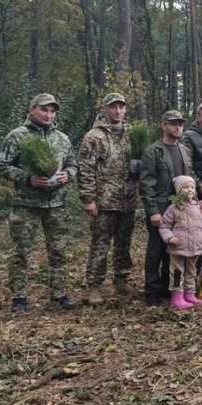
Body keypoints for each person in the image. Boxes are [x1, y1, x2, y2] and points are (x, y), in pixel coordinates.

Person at [0, 93, 78, 313]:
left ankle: (58, 295)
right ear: (32, 110)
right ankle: (19, 297)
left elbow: (73, 164)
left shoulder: (62, 138)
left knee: (58, 251)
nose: (49, 115)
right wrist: (27, 178)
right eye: (44, 110)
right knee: (20, 251)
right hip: (26, 204)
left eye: (52, 111)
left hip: (56, 204)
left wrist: (67, 175)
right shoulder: (17, 136)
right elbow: (1, 165)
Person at [77, 92, 137, 305]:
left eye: (121, 107)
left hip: (128, 199)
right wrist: (88, 199)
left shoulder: (132, 133)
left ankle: (121, 279)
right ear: (105, 109)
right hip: (104, 201)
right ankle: (94, 285)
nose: (118, 111)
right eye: (113, 107)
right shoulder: (94, 136)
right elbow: (85, 169)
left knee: (124, 243)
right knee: (100, 244)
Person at [140, 110, 194, 306]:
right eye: (173, 123)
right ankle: (151, 291)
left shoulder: (185, 151)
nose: (177, 127)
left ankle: (167, 287)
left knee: (176, 250)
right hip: (161, 207)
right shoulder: (153, 151)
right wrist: (153, 210)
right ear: (163, 125)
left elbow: (191, 178)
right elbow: (146, 183)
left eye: (180, 123)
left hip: (181, 209)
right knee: (156, 249)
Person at [158, 176, 202, 310]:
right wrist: (170, 238)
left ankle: (190, 293)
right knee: (177, 272)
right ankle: (177, 296)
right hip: (178, 248)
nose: (190, 190)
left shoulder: (199, 208)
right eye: (186, 187)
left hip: (195, 248)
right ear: (178, 190)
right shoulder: (173, 208)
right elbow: (164, 226)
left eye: (192, 187)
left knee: (191, 272)